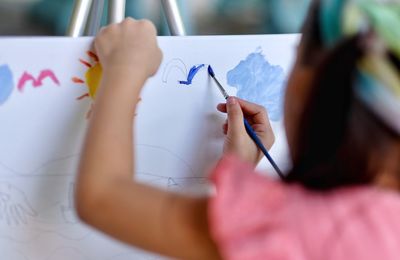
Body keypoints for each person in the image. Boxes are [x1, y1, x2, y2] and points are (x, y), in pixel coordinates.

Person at [75, 0, 400, 259]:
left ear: (311, 87)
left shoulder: (285, 225)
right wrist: (241, 174)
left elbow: (103, 196)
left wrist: (125, 66)